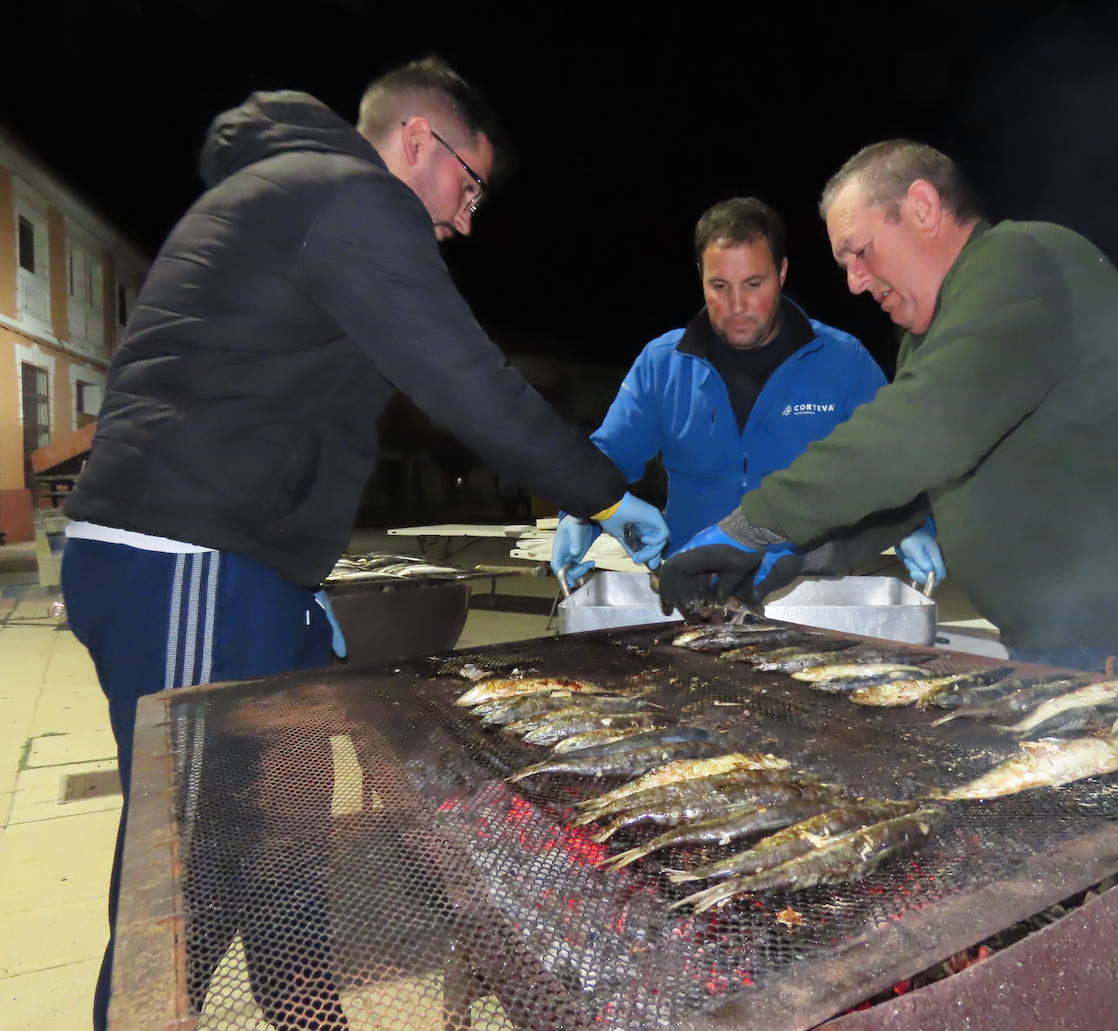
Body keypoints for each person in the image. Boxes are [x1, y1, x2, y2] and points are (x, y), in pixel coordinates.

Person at [60, 56, 666, 1029]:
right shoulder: (349, 197)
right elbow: (469, 381)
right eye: (470, 184)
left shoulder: (306, 204)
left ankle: (306, 1014)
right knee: (190, 874)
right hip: (184, 553)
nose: (469, 218)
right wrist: (604, 495)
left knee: (290, 834)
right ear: (417, 142)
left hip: (255, 568)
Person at [658, 140, 1118, 698]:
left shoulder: (1021, 262)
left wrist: (751, 525)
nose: (853, 282)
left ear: (923, 207)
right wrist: (804, 555)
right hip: (1069, 647)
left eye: (860, 253)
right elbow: (913, 494)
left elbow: (918, 432)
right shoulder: (928, 336)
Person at [551, 197, 941, 587]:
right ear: (701, 277)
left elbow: (892, 463)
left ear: (782, 273)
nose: (737, 305)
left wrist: (914, 525)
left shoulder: (843, 360)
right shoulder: (661, 365)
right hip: (693, 590)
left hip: (812, 588)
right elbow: (610, 456)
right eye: (719, 286)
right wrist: (581, 513)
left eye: (754, 284)